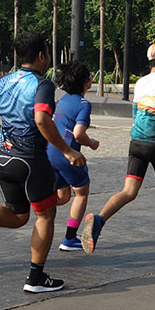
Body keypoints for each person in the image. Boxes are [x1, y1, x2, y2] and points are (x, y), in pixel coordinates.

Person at [0, 31, 86, 294]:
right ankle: (36, 278)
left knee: (19, 215)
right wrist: (67, 151)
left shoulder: (4, 81)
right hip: (31, 159)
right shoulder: (42, 85)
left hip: (4, 159)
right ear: (42, 55)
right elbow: (42, 119)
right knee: (46, 215)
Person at [79, 43, 155, 255]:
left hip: (136, 142)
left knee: (129, 191)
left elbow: (136, 108)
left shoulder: (141, 81)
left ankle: (100, 219)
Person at [49, 62, 101, 251]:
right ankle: (69, 239)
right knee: (81, 192)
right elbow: (79, 134)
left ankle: (34, 199)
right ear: (87, 82)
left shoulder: (62, 100)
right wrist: (92, 143)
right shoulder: (83, 105)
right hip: (67, 154)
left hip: (50, 152)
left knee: (62, 196)